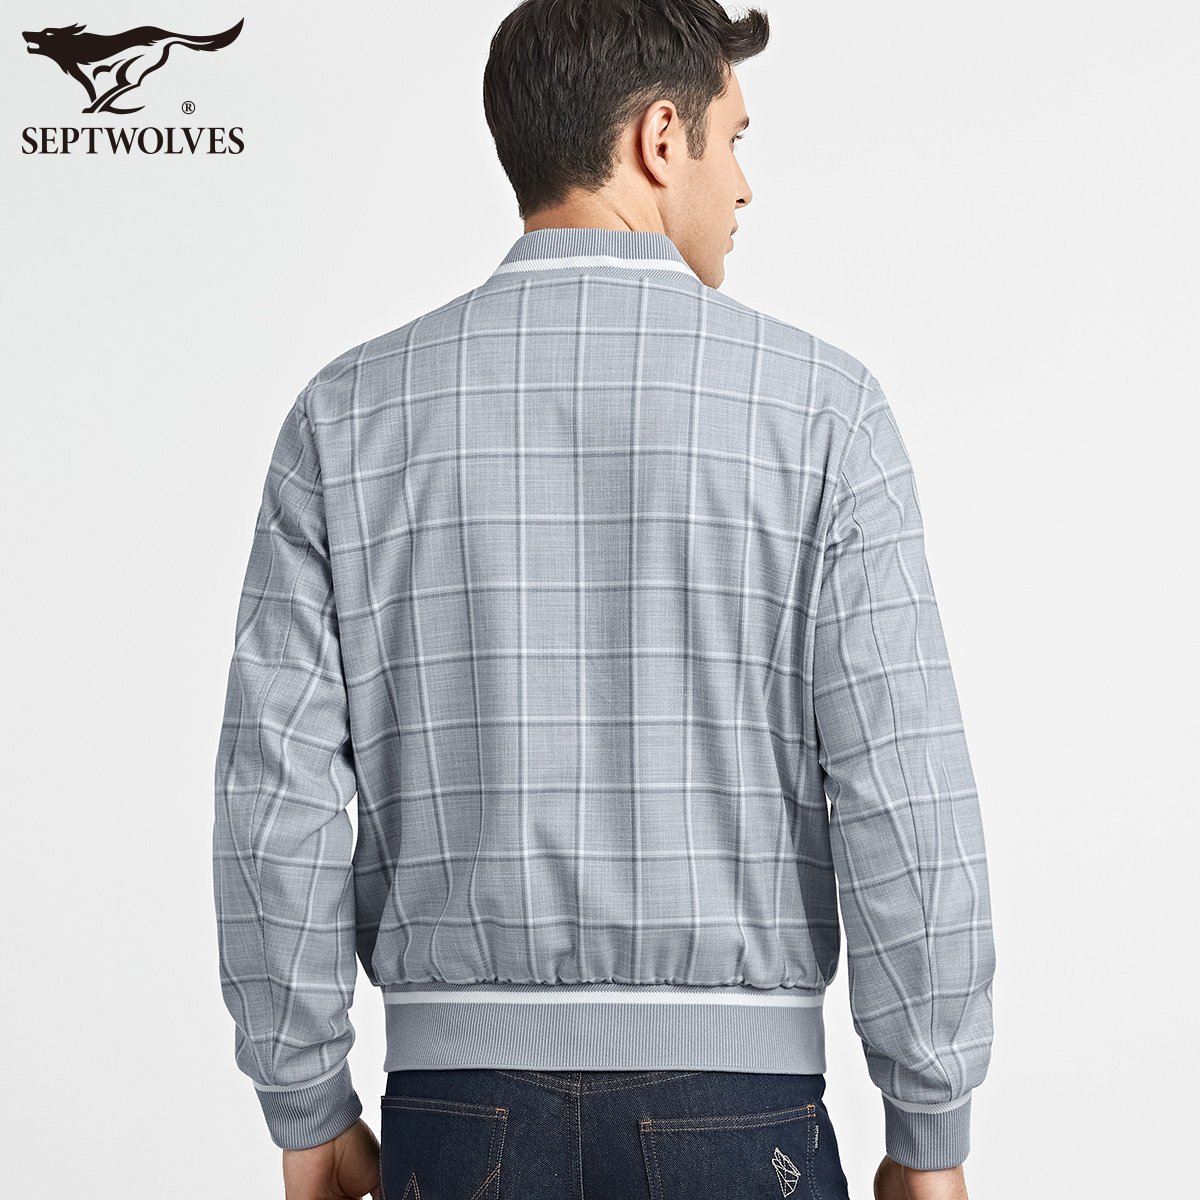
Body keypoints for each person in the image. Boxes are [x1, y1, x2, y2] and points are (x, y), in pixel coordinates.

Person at [211, 2, 996, 1198]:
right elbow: (903, 787)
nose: (745, 185)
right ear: (661, 137)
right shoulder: (826, 412)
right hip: (741, 1112)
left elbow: (278, 792)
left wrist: (305, 1101)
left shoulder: (348, 414)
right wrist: (929, 1126)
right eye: (736, 139)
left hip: (454, 1111)